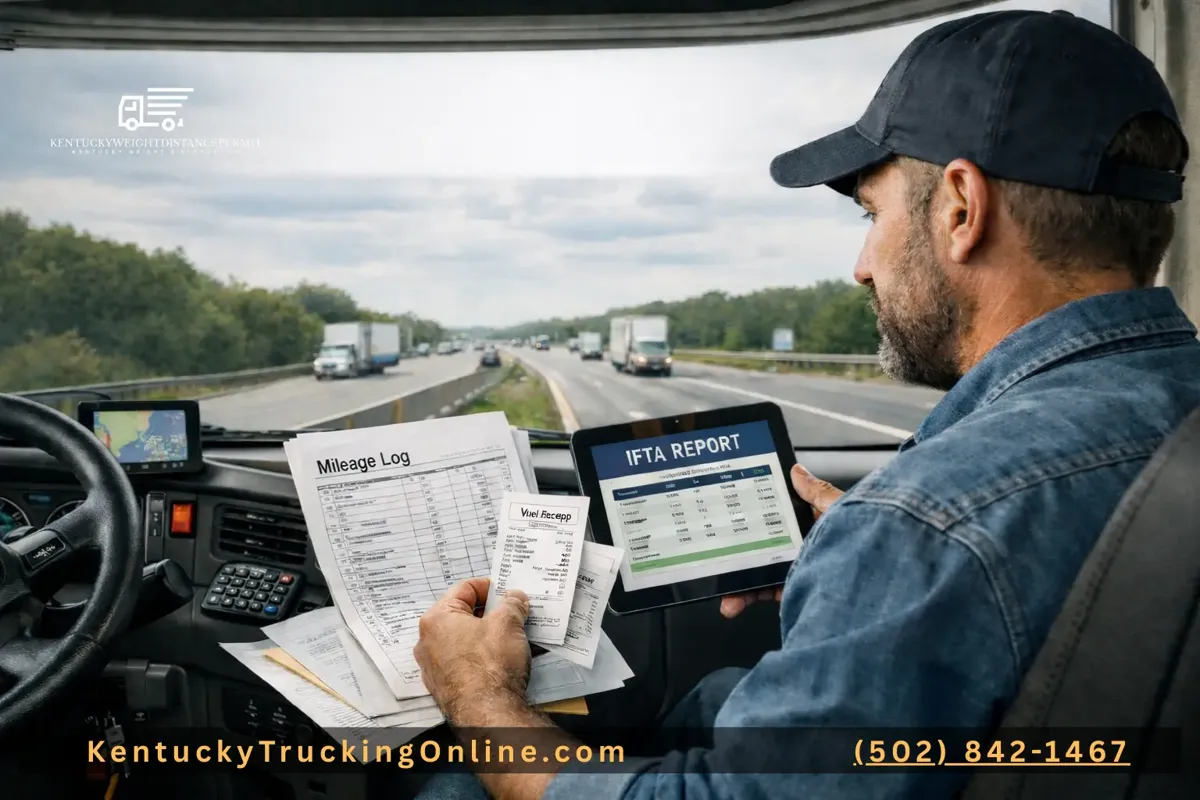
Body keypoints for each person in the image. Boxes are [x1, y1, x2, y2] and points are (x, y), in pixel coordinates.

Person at [411, 8, 1196, 799]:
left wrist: (477, 695)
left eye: (872, 214)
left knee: (455, 784)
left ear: (961, 208)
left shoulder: (927, 524)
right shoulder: (1174, 415)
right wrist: (860, 575)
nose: (861, 265)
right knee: (716, 699)